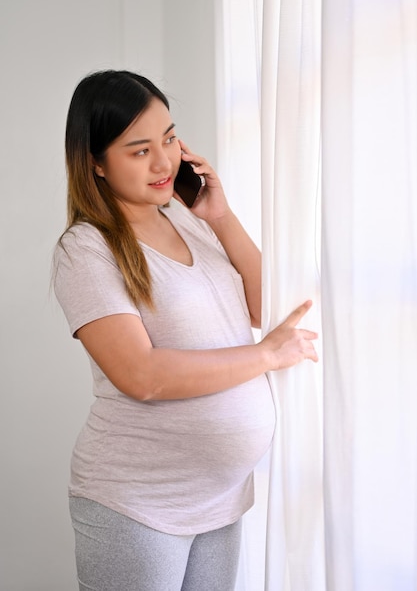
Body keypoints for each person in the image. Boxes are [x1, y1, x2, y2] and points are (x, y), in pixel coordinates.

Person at [53, 69, 318, 591]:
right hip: (138, 502)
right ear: (96, 164)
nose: (164, 161)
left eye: (170, 138)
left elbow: (267, 305)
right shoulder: (85, 250)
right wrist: (265, 356)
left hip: (219, 500)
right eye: (139, 150)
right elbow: (140, 374)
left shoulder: (189, 219)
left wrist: (219, 216)